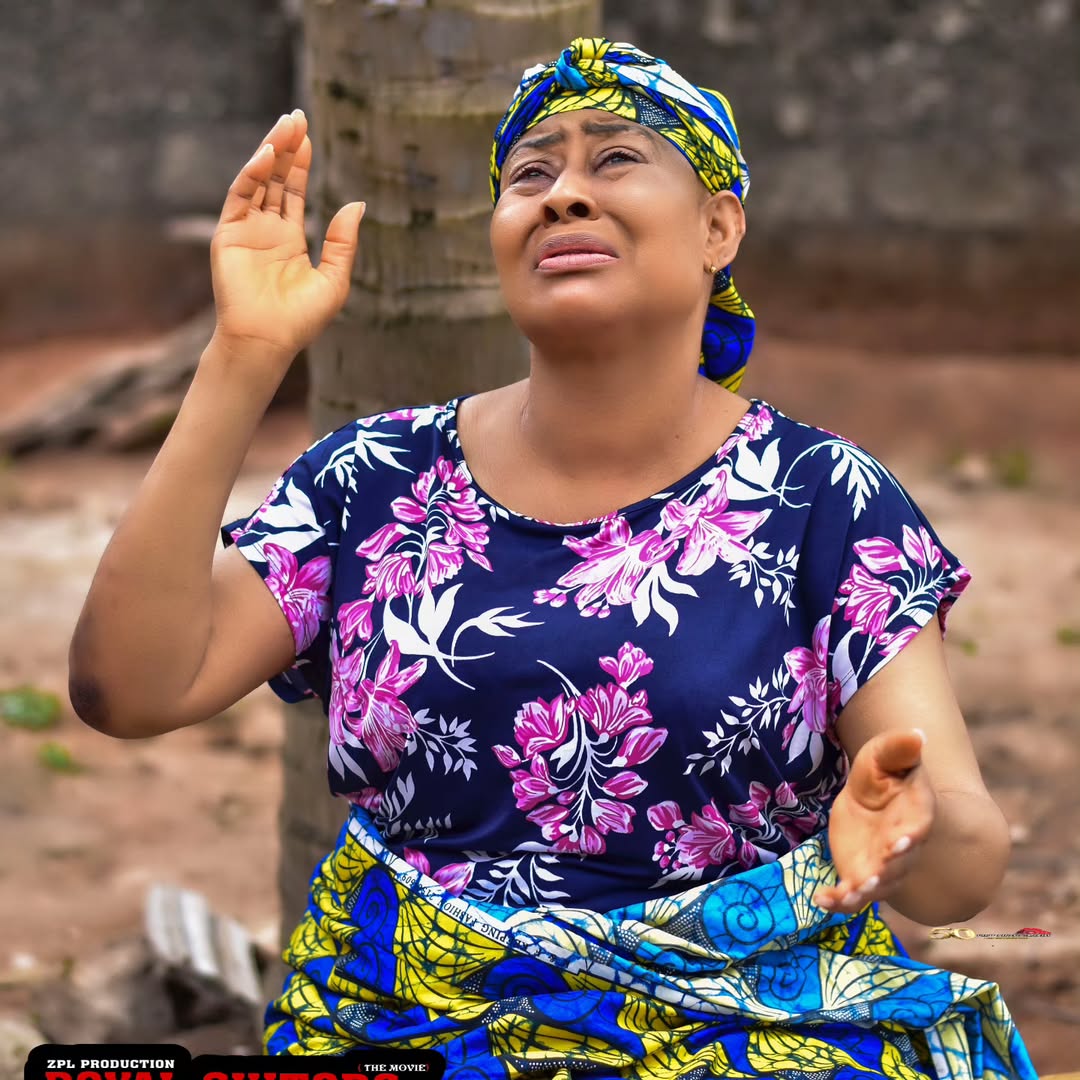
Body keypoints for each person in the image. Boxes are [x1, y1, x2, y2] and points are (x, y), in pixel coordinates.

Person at [70, 36, 1037, 1080]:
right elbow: (131, 688)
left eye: (615, 159)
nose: (564, 194)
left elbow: (962, 866)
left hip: (757, 1038)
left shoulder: (824, 501)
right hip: (405, 1031)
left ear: (718, 229)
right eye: (531, 174)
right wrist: (243, 356)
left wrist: (910, 833)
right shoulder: (373, 480)